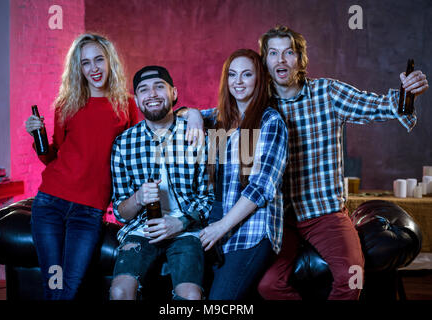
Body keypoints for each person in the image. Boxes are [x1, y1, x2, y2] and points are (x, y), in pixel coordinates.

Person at [255, 25, 429, 300]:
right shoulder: (258, 102)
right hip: (280, 217)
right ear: (265, 60)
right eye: (273, 53)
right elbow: (222, 115)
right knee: (267, 285)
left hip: (325, 213)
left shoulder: (327, 93)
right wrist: (189, 114)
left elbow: (377, 105)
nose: (281, 60)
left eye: (289, 52)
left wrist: (407, 95)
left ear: (300, 59)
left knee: (352, 277)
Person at [25, 33, 137, 300]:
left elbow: (130, 159)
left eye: (99, 60)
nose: (93, 68)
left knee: (70, 290)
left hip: (88, 212)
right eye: (86, 63)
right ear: (79, 68)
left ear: (110, 62)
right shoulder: (67, 104)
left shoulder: (126, 104)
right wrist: (36, 136)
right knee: (54, 287)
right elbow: (52, 156)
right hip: (50, 204)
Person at [109, 65, 213, 300]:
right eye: (144, 90)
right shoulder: (123, 144)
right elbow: (120, 212)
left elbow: (209, 198)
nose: (152, 94)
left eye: (159, 87)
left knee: (190, 297)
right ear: (137, 100)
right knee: (118, 291)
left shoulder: (196, 134)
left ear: (174, 93)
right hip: (141, 231)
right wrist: (137, 198)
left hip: (187, 231)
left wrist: (181, 222)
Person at [197, 49, 288, 300]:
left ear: (259, 79)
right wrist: (192, 115)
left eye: (246, 74)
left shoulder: (270, 122)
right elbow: (182, 114)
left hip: (251, 230)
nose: (238, 82)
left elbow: (261, 187)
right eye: (232, 75)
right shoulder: (219, 119)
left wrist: (221, 227)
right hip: (215, 225)